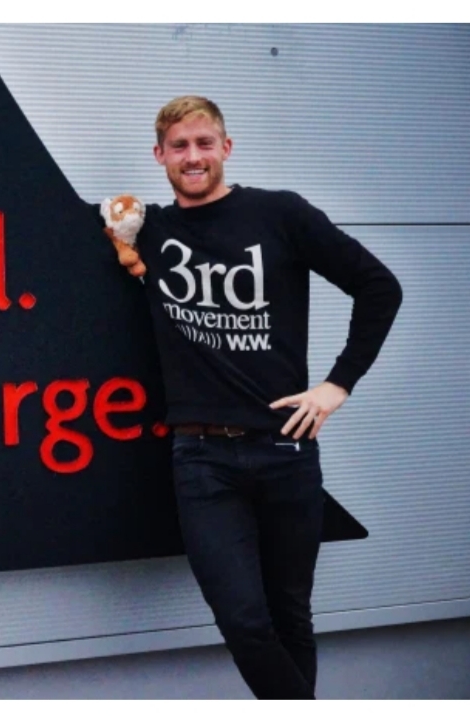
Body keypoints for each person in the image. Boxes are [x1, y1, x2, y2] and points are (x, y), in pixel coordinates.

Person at [101, 96, 403, 699]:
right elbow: (113, 216)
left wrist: (337, 385)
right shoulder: (152, 230)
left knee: (291, 615)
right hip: (202, 460)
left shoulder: (280, 214)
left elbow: (379, 287)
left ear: (226, 148)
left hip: (286, 450)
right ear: (159, 155)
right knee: (244, 620)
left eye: (204, 143)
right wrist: (119, 228)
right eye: (179, 146)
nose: (193, 157)